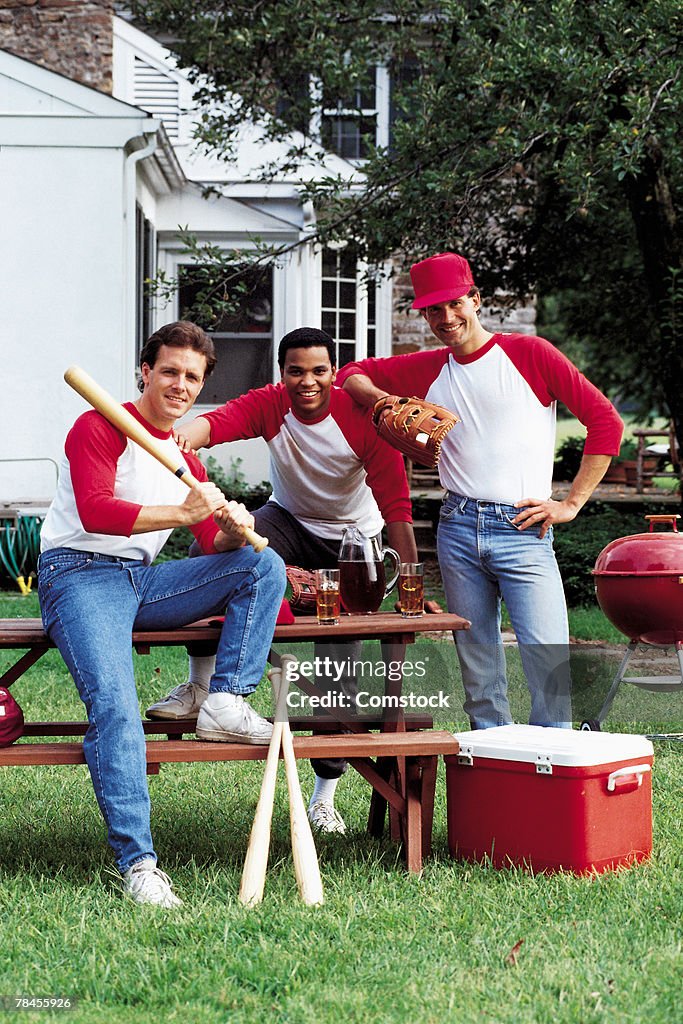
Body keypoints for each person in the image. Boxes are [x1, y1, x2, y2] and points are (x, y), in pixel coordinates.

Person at [38, 322, 286, 908]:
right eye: (169, 371)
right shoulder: (99, 424)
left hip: (140, 580)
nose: (180, 385)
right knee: (117, 708)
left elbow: (209, 540)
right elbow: (97, 510)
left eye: (192, 378)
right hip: (77, 574)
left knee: (263, 564)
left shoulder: (182, 456)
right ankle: (140, 866)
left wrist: (232, 528)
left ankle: (224, 698)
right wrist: (181, 508)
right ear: (145, 371)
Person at [336, 252, 624, 730]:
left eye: (454, 304)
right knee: (478, 667)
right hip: (457, 527)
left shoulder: (531, 354)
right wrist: (383, 399)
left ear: (475, 299)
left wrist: (571, 503)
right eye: (432, 310)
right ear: (423, 314)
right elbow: (350, 375)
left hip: (523, 526)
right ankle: (494, 766)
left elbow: (605, 422)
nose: (445, 319)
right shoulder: (429, 367)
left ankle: (549, 770)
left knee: (548, 663)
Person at [147, 326, 417, 834]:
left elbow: (397, 508)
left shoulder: (362, 421)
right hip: (287, 522)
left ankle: (324, 796)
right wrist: (174, 440)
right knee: (211, 545)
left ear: (334, 373)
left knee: (339, 660)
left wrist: (408, 583)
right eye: (296, 371)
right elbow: (216, 424)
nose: (307, 381)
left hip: (353, 541)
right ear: (282, 373)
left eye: (318, 371)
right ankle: (203, 687)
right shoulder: (272, 405)